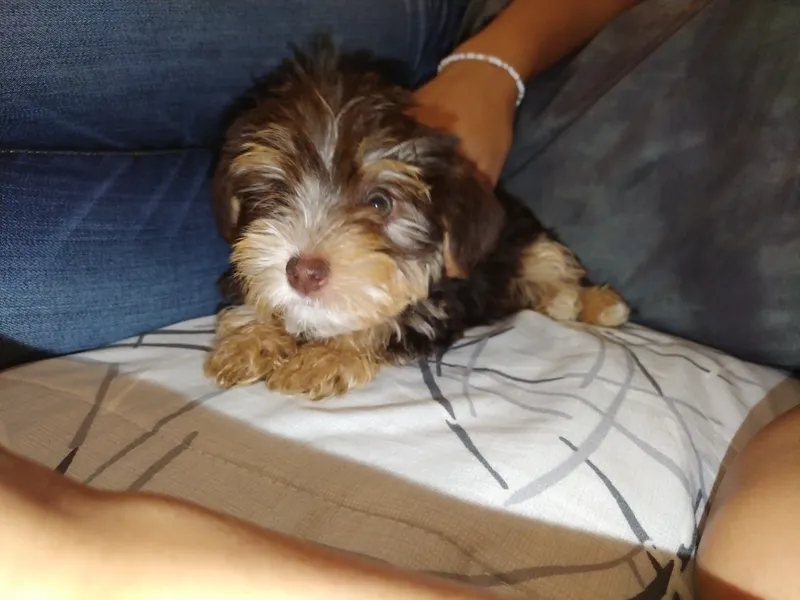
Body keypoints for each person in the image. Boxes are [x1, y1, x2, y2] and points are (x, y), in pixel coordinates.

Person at [1, 0, 798, 598]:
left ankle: (563, 290)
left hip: (477, 218)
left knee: (542, 271)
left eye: (378, 208)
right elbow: (263, 252)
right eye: (269, 196)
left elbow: (434, 309)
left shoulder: (461, 246)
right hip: (441, 42)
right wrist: (494, 66)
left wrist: (359, 340)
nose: (309, 252)